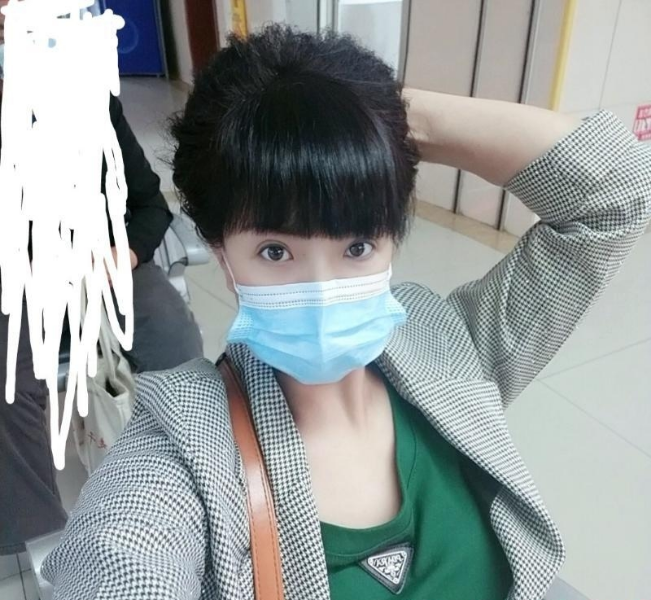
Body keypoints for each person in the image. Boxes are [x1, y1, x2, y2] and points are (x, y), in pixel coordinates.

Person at [41, 24, 651, 600]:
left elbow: (617, 191)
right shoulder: (181, 446)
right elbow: (121, 560)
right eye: (275, 251)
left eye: (357, 246)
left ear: (392, 242)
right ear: (223, 256)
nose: (322, 288)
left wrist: (372, 118)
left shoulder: (450, 344)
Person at [0, 70, 204, 558]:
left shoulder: (89, 101)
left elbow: (150, 203)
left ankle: (193, 484)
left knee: (173, 340)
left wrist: (125, 253)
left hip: (104, 262)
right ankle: (45, 540)